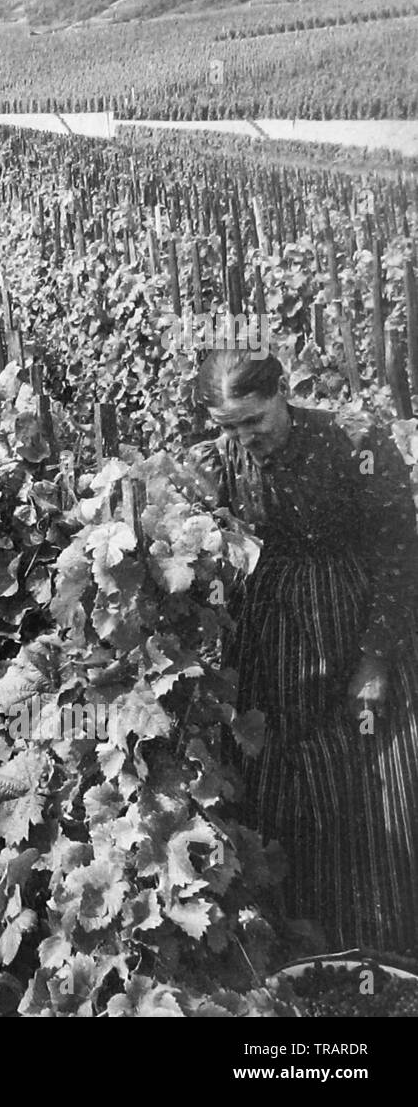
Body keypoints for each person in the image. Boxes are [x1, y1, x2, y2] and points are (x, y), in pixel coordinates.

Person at [188, 349, 418, 953]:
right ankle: (293, 941)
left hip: (350, 627)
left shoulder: (355, 442)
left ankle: (373, 946)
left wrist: (375, 660)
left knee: (369, 779)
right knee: (281, 783)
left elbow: (400, 553)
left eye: (254, 421)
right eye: (229, 427)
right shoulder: (214, 462)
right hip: (273, 643)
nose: (244, 439)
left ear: (282, 392)